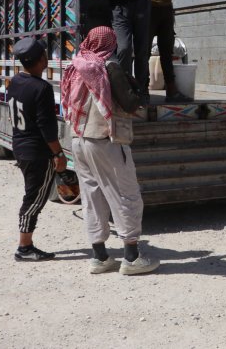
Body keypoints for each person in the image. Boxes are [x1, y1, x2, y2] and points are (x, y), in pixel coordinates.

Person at [61, 26, 159, 275]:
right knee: (125, 194)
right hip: (105, 139)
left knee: (92, 196)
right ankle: (132, 257)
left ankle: (100, 256)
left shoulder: (77, 64)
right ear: (110, 44)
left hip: (78, 140)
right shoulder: (108, 66)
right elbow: (129, 102)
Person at [7, 38, 66, 261]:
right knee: (34, 199)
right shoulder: (41, 88)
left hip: (20, 147)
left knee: (32, 194)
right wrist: (58, 153)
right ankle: (24, 247)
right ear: (42, 59)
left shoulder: (15, 82)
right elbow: (47, 127)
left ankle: (26, 244)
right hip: (36, 152)